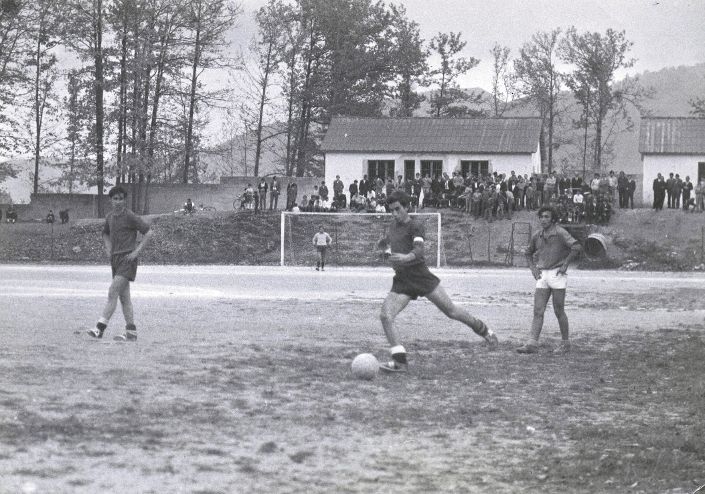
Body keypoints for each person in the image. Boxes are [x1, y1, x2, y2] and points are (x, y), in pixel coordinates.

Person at [376, 191, 498, 372]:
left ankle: (485, 331)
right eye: (391, 210)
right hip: (402, 280)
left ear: (406, 207)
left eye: (397, 209)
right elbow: (387, 244)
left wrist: (406, 257)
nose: (394, 214)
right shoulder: (392, 226)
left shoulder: (416, 226)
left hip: (420, 275)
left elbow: (419, 250)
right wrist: (384, 249)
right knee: (386, 316)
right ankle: (400, 361)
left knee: (451, 311)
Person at [87, 186, 154, 341]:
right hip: (115, 261)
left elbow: (149, 232)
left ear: (125, 200)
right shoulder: (110, 217)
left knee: (112, 291)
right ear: (110, 200)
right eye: (115, 198)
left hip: (127, 260)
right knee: (124, 298)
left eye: (121, 198)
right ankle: (131, 332)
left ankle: (99, 328)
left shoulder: (130, 216)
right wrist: (108, 248)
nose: (118, 201)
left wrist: (136, 252)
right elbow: (105, 233)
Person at [517, 206, 582, 354]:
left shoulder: (560, 232)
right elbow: (528, 252)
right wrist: (533, 268)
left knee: (559, 310)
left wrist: (565, 264)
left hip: (557, 274)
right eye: (541, 217)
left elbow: (576, 246)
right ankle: (532, 343)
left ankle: (565, 344)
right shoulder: (537, 235)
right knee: (538, 310)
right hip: (542, 275)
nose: (543, 219)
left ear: (553, 219)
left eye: (547, 217)